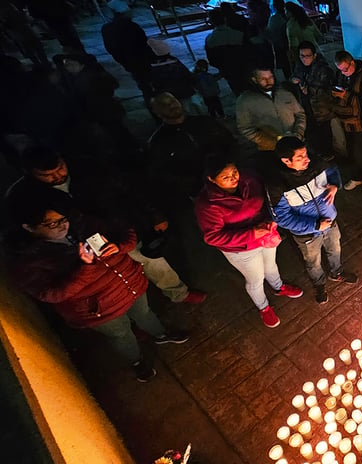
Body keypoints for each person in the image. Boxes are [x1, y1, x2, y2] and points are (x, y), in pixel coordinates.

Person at [3, 203, 189, 382]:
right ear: (29, 227)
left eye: (63, 218)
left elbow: (125, 230)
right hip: (99, 308)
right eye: (52, 223)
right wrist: (86, 267)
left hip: (128, 285)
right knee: (121, 334)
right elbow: (52, 294)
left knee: (145, 313)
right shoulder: (27, 261)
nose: (63, 225)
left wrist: (119, 246)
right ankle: (137, 361)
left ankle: (161, 334)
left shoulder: (81, 222)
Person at [5, 147, 207, 305]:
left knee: (150, 259)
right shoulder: (24, 196)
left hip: (120, 227)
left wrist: (154, 214)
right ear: (30, 174)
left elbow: (128, 188)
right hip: (79, 244)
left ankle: (178, 293)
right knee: (106, 281)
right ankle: (130, 313)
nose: (57, 176)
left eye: (60, 168)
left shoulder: (87, 166)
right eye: (47, 175)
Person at [195, 155, 304, 328]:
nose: (233, 178)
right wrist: (252, 233)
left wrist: (271, 218)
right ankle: (263, 307)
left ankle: (278, 287)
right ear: (211, 179)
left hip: (265, 235)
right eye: (225, 177)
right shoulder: (208, 204)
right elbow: (213, 237)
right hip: (241, 248)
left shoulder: (249, 179)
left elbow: (267, 199)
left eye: (234, 172)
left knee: (271, 265)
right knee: (256, 277)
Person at [264, 137, 356, 305]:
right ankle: (319, 283)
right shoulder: (278, 184)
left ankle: (337, 272)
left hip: (330, 221)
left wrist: (335, 185)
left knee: (335, 249)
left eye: (306, 154)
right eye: (300, 157)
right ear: (286, 161)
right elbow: (281, 217)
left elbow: (332, 171)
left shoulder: (316, 163)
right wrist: (314, 225)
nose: (307, 159)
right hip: (307, 232)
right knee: (313, 261)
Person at [236, 64, 306, 151]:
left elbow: (300, 114)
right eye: (263, 79)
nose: (268, 81)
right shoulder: (245, 101)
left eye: (270, 77)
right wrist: (273, 143)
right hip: (271, 149)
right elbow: (246, 128)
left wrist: (298, 134)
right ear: (254, 79)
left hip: (296, 144)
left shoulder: (284, 93)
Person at [334, 50, 362, 191]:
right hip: (346, 120)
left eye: (345, 69)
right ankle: (356, 177)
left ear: (352, 62)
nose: (343, 72)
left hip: (360, 121)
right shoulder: (341, 75)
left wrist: (347, 96)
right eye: (340, 70)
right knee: (350, 150)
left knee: (360, 151)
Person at [101, 0, 153, 101]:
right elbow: (144, 43)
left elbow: (110, 48)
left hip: (127, 62)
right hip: (141, 60)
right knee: (148, 83)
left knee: (143, 83)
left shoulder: (107, 28)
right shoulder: (132, 27)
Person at [291, 40, 336, 157]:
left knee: (325, 134)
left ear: (314, 55)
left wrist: (309, 89)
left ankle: (328, 156)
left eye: (308, 56)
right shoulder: (299, 66)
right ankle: (317, 155)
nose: (304, 59)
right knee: (312, 134)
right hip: (306, 107)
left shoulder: (323, 69)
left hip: (321, 109)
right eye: (302, 56)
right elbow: (295, 77)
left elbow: (328, 89)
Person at [284, 2, 322, 68]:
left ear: (290, 12)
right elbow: (318, 35)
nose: (285, 13)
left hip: (304, 57)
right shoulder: (308, 21)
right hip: (316, 51)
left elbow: (294, 46)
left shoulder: (291, 26)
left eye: (285, 10)